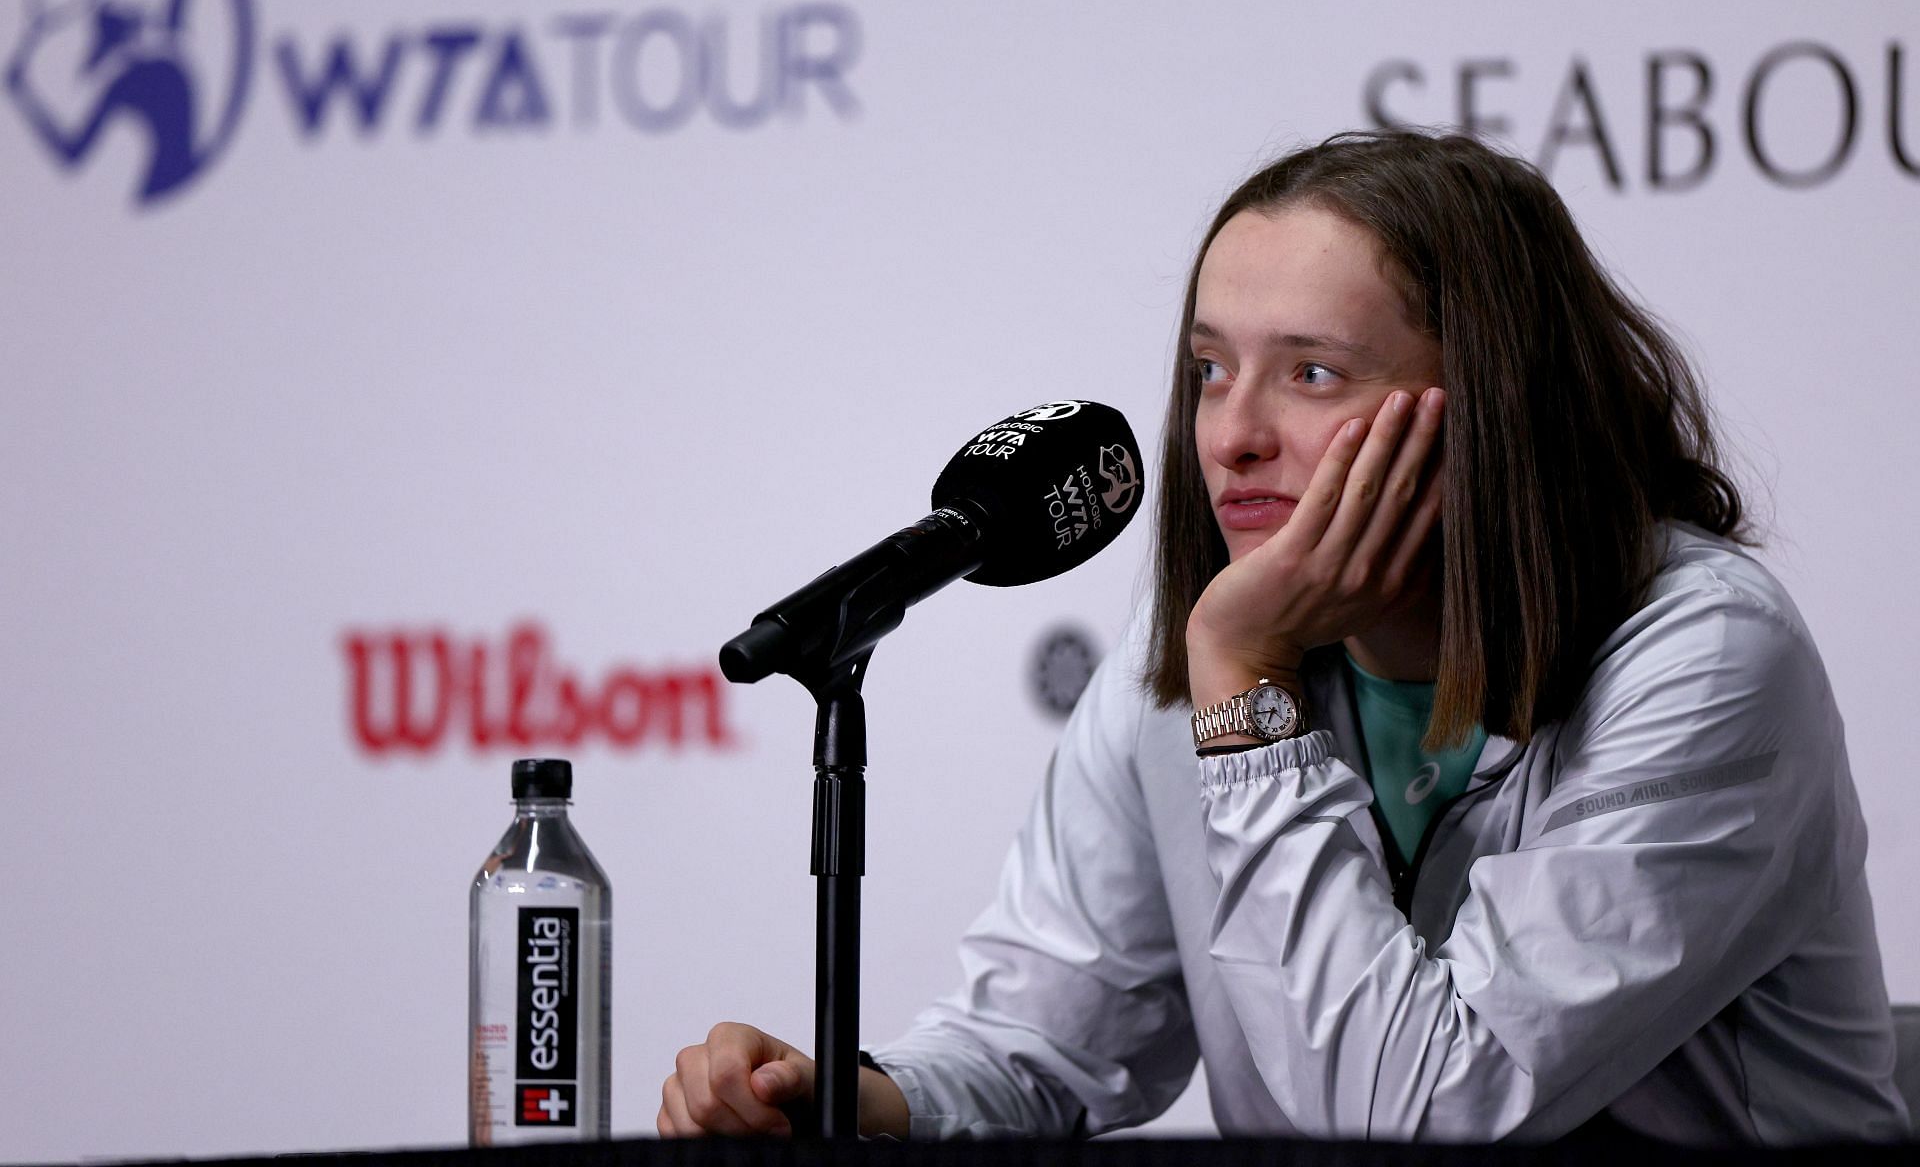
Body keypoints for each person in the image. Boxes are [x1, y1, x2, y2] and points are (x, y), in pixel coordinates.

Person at [657, 131, 1911, 1143]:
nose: (1230, 435)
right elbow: (1046, 1041)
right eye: (1211, 369)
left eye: (1311, 373)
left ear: (1491, 401)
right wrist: (850, 1102)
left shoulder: (1701, 657)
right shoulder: (1200, 650)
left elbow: (1425, 1113)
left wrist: (1247, 703)